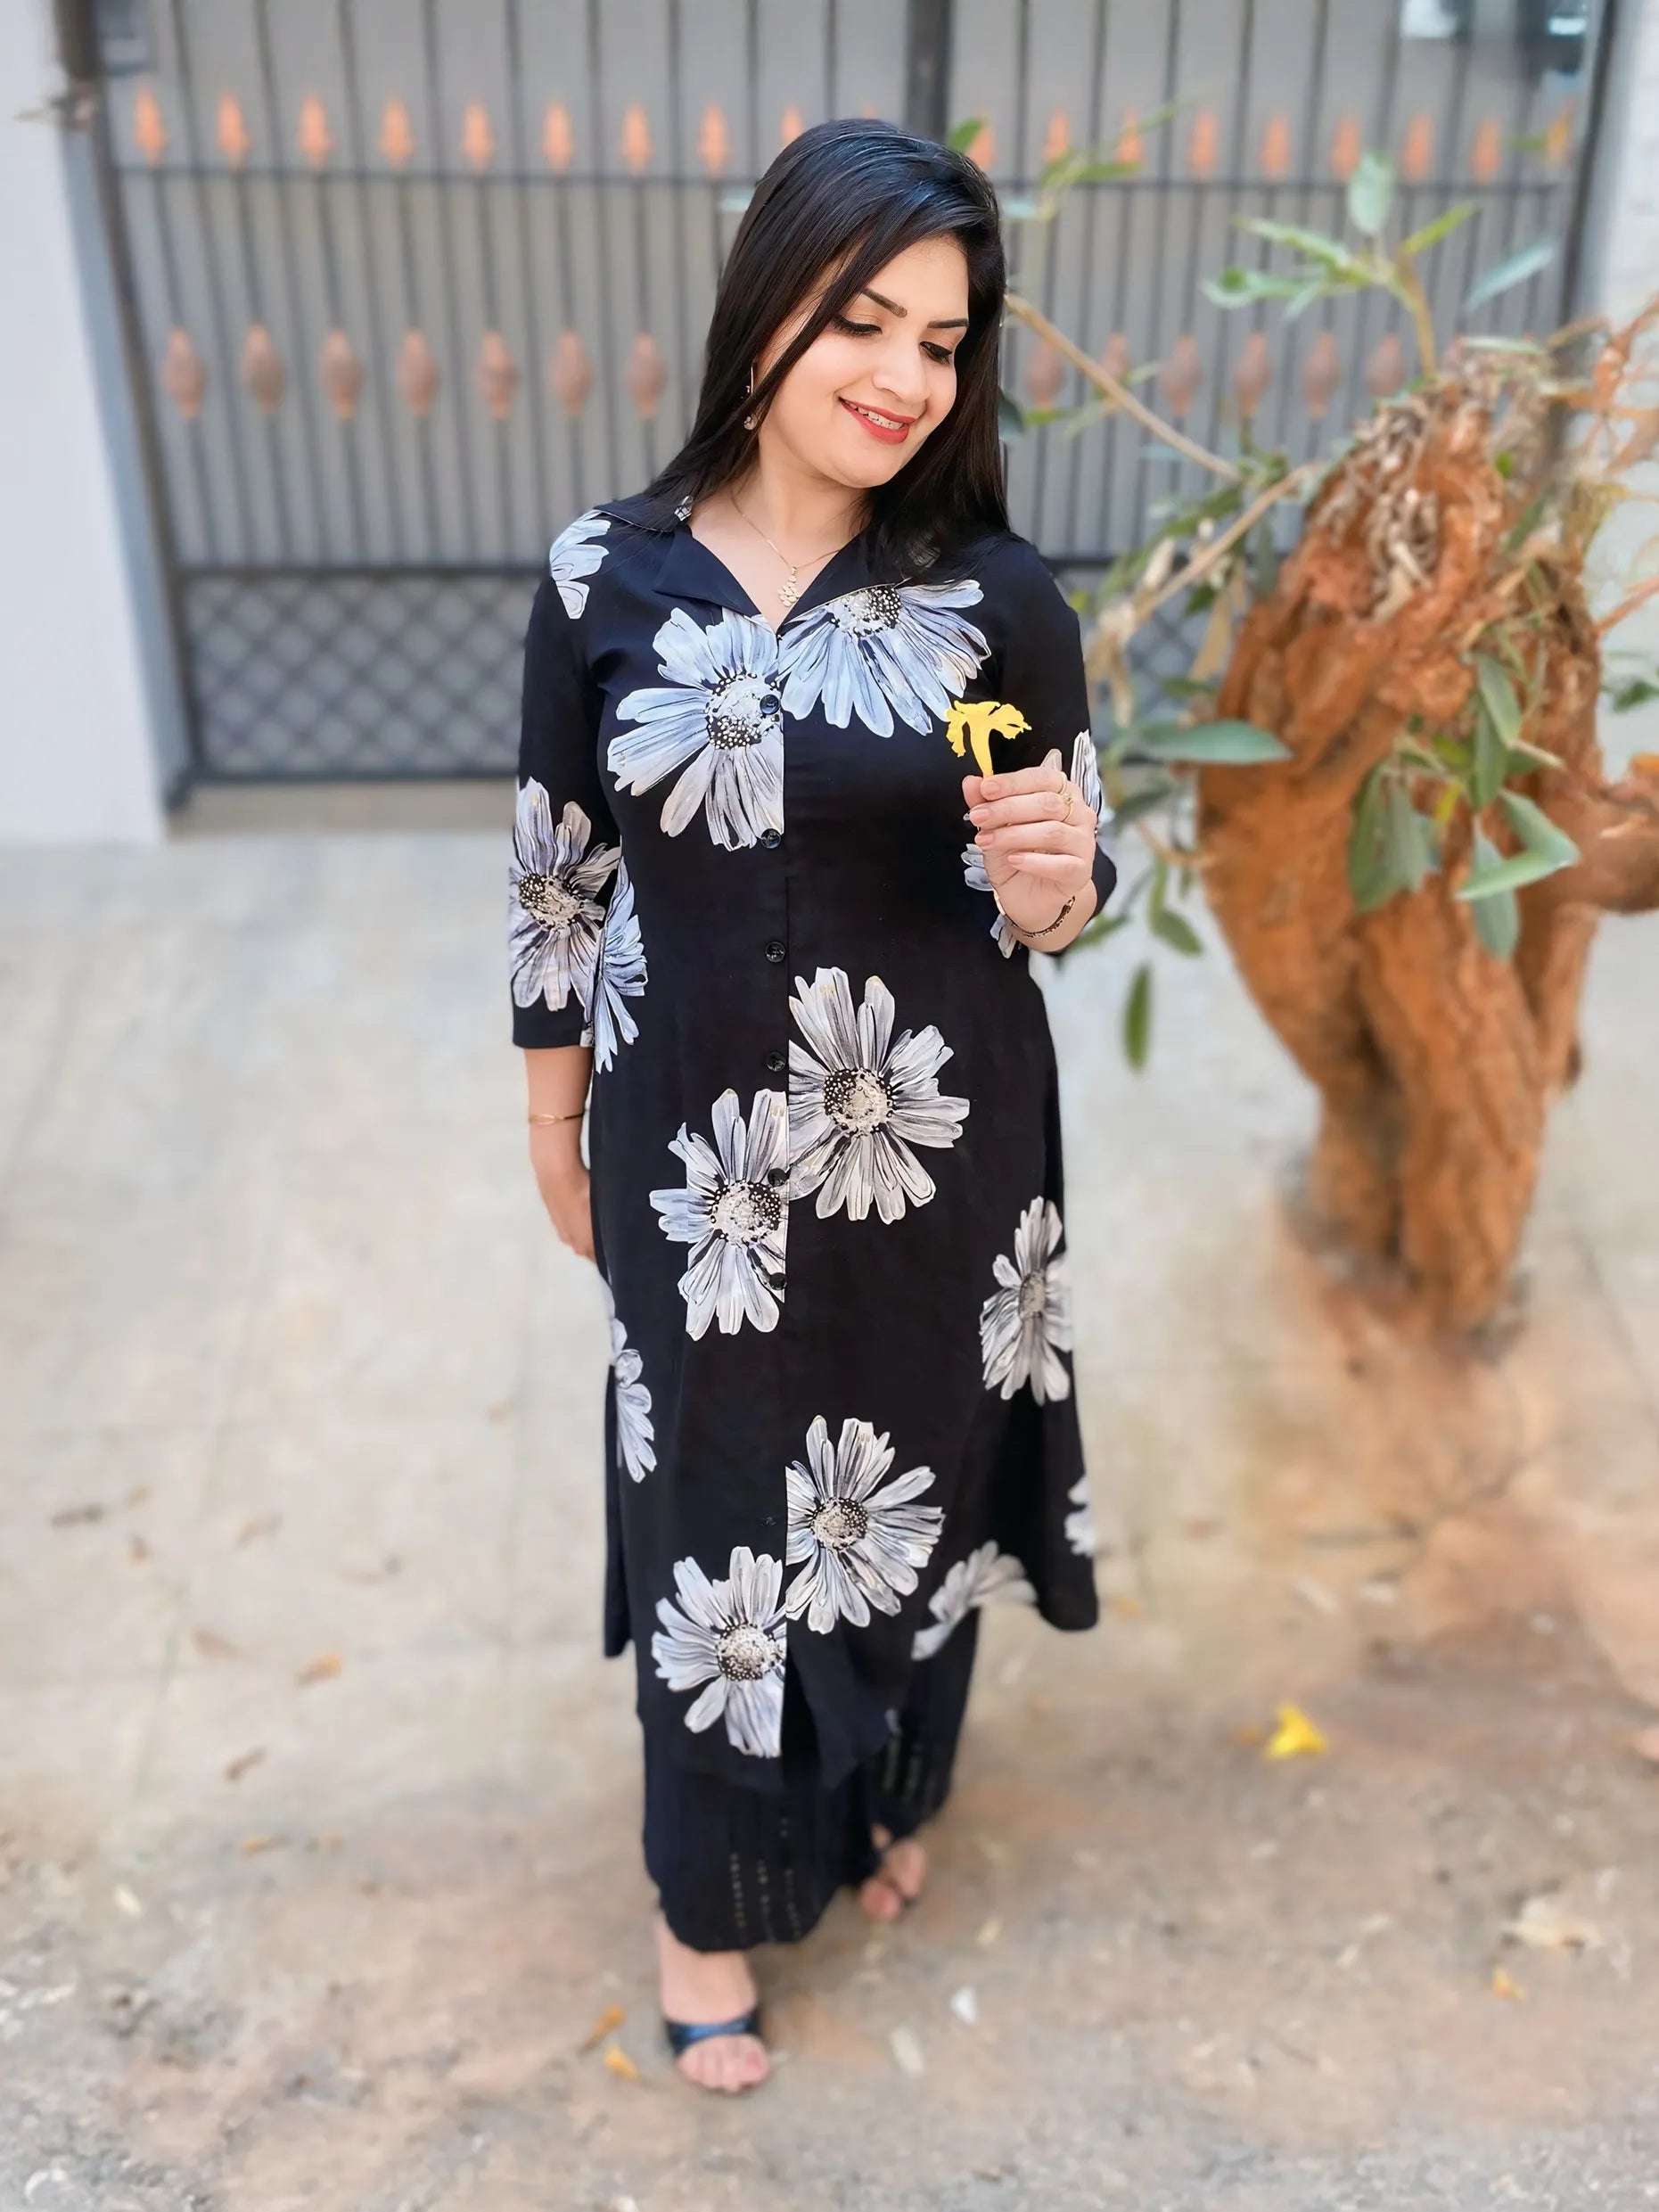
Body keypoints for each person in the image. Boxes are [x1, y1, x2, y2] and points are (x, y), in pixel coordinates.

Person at [507, 116, 1115, 2095]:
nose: (901, 375)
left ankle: (872, 1793)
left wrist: (1057, 877)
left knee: (901, 1503)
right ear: (766, 301)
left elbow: (1055, 886)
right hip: (692, 1169)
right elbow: (561, 872)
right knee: (715, 1527)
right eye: (863, 319)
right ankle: (705, 1905)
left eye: (941, 340)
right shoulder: (605, 575)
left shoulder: (990, 602)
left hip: (934, 1160)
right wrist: (550, 1118)